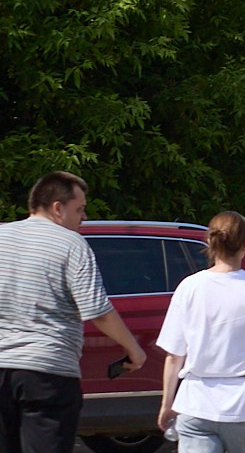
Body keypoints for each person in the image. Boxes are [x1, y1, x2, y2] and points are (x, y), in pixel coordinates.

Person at [0, 171, 146, 453]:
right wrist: (134, 349)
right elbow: (97, 310)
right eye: (79, 209)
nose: (84, 217)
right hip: (47, 371)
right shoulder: (71, 244)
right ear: (58, 208)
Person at [154, 211, 245, 453]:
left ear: (210, 242)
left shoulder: (189, 287)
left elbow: (174, 355)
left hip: (195, 402)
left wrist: (167, 403)